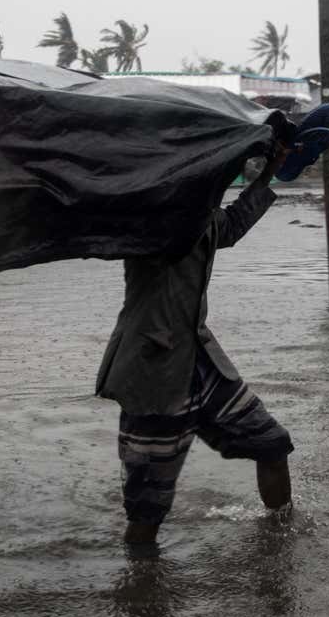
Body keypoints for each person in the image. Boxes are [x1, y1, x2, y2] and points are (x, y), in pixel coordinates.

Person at [94, 142, 295, 552]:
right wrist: (232, 158)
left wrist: (269, 170)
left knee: (272, 445)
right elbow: (181, 224)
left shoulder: (202, 222)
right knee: (147, 509)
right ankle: (141, 592)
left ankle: (282, 544)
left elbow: (234, 222)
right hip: (153, 375)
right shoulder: (151, 228)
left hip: (202, 364)